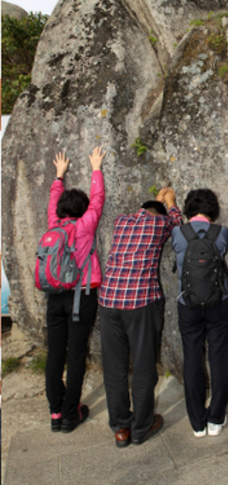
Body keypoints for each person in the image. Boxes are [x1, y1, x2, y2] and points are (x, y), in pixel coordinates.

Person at [99, 188, 182, 448]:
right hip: (139, 302)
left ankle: (121, 427)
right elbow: (176, 223)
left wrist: (157, 201)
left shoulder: (122, 221)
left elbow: (147, 213)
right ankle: (141, 426)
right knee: (144, 365)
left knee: (114, 367)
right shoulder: (161, 223)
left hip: (109, 301)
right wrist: (171, 203)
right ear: (159, 213)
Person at [46, 146, 105, 433]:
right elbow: (98, 201)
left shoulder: (53, 225)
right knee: (76, 354)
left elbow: (52, 202)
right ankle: (72, 413)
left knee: (55, 353)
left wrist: (59, 177)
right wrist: (96, 169)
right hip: (82, 295)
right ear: (81, 211)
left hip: (54, 296)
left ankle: (55, 414)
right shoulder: (84, 227)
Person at [171, 189, 228, 438]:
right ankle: (216, 418)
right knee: (218, 356)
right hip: (219, 301)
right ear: (213, 209)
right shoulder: (222, 233)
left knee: (192, 357)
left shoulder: (178, 233)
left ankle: (197, 422)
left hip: (188, 303)